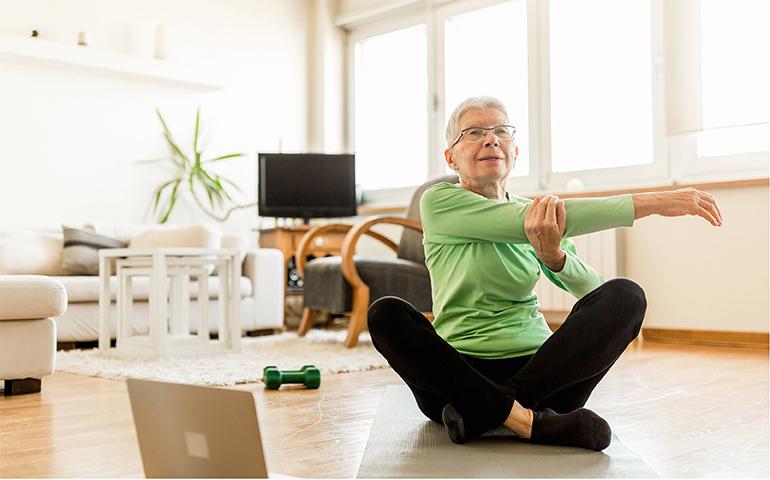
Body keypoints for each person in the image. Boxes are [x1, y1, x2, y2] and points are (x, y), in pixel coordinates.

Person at [367, 96, 723, 451]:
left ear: (514, 152)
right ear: (451, 157)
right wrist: (658, 202)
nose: (491, 139)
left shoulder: (533, 212)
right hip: (457, 377)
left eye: (501, 131)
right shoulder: (439, 201)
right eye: (474, 132)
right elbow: (554, 218)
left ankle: (490, 413)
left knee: (627, 296)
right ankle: (528, 420)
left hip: (542, 373)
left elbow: (593, 290)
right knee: (386, 313)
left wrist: (553, 255)